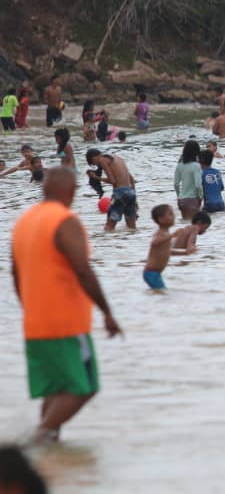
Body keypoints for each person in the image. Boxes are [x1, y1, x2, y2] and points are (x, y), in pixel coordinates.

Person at [11, 167, 122, 442]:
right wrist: (107, 312)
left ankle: (50, 454)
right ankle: (38, 438)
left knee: (56, 389)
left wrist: (30, 307)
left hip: (36, 324)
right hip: (66, 324)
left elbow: (15, 272)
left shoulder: (25, 221)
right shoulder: (65, 221)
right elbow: (82, 270)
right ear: (71, 190)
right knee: (83, 387)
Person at [86, 149, 137, 231]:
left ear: (93, 158)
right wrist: (134, 195)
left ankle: (109, 243)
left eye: (94, 163)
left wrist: (96, 177)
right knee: (132, 228)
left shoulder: (102, 160)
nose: (97, 165)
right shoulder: (118, 158)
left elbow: (112, 181)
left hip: (120, 194)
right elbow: (131, 179)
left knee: (109, 228)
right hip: (130, 193)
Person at [173, 140, 203, 220]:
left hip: (181, 200)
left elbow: (176, 184)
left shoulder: (179, 165)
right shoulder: (196, 166)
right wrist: (200, 197)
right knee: (194, 225)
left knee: (185, 222)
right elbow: (198, 185)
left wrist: (179, 196)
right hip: (192, 199)